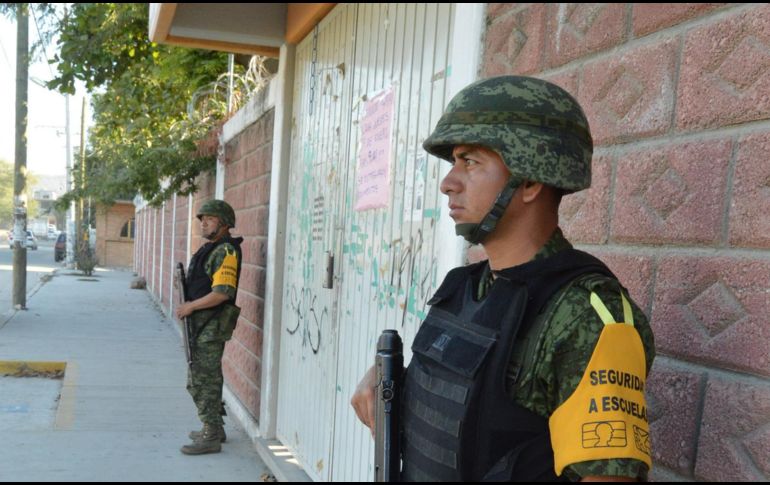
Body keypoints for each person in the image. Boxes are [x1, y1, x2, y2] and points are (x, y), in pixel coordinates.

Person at [351, 76, 655, 481]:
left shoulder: (588, 315)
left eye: (471, 162)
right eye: (454, 161)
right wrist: (390, 388)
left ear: (529, 180)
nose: (448, 182)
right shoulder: (468, 287)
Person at [176, 199, 243, 455]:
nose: (204, 222)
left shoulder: (226, 251)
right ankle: (215, 427)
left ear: (224, 223)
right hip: (202, 325)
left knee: (202, 380)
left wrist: (191, 307)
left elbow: (222, 293)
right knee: (205, 377)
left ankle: (211, 434)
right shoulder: (212, 248)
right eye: (202, 219)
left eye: (210, 218)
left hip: (211, 325)